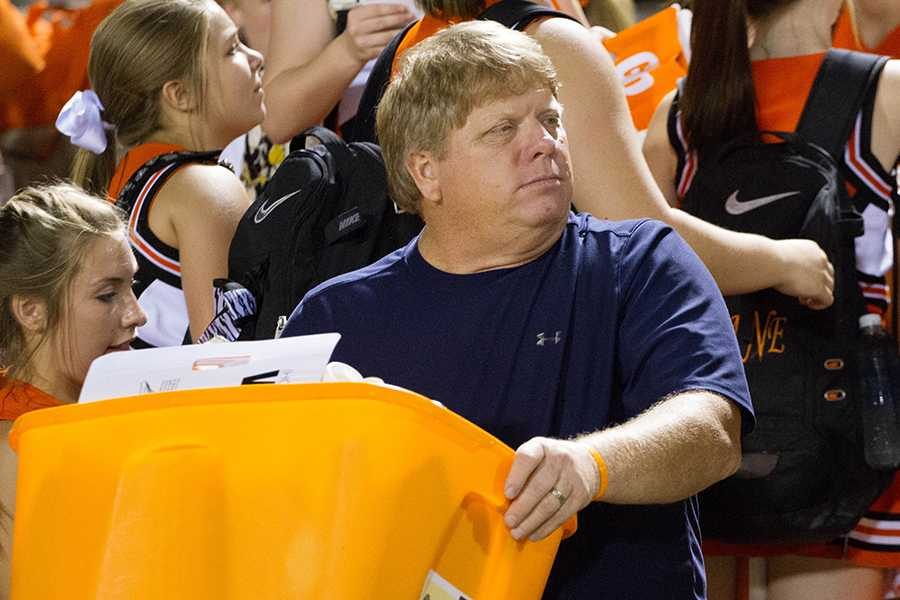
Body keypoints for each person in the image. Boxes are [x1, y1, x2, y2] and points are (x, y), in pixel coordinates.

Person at [283, 22, 754, 599]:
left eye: (550, 121)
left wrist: (591, 466)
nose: (544, 143)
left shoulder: (641, 262)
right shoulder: (336, 319)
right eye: (502, 129)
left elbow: (713, 431)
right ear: (425, 171)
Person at [641, 0, 900, 598]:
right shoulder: (882, 92)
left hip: (713, 430)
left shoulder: (680, 113)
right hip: (846, 447)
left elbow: (644, 271)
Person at [368, 0, 836, 310]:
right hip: (529, 370)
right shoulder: (551, 41)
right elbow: (645, 240)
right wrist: (784, 262)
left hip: (415, 350)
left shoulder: (406, 48)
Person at [66, 0, 265, 347]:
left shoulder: (133, 174)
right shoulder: (204, 188)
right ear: (180, 94)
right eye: (232, 49)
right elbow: (221, 356)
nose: (256, 58)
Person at [0, 183, 147, 599]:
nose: (139, 314)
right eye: (107, 295)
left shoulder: (93, 412)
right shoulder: (21, 451)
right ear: (31, 311)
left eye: (132, 287)